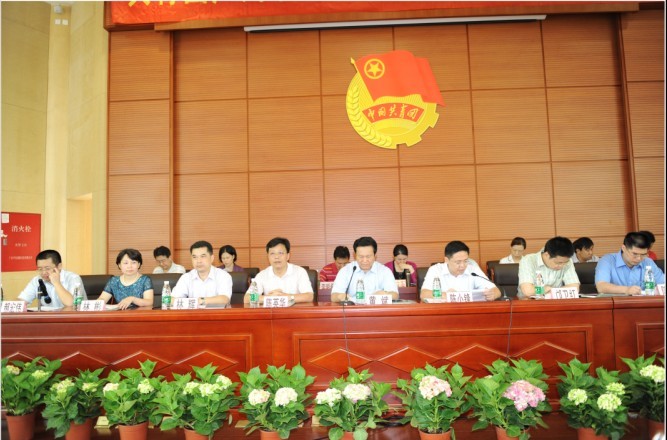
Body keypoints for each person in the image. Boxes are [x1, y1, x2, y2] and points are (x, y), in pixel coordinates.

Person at [421, 241, 500, 301]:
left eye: (466, 261)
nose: (463, 265)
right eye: (458, 262)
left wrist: (492, 294)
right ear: (446, 260)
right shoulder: (435, 270)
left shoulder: (472, 270)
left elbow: (496, 291)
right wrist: (448, 296)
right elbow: (424, 294)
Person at [244, 237, 313, 304]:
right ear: (268, 257)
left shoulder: (300, 272)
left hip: (294, 311)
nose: (276, 257)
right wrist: (267, 298)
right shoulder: (262, 275)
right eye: (272, 253)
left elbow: (309, 296)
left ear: (288, 256)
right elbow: (247, 298)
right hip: (271, 311)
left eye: (280, 253)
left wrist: (287, 297)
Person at [331, 236, 398, 302]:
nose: (364, 260)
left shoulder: (384, 271)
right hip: (353, 308)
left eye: (368, 256)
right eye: (361, 256)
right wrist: (341, 296)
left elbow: (395, 295)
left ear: (375, 256)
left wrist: (385, 294)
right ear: (355, 256)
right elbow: (334, 296)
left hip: (377, 308)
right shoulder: (346, 271)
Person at [595, 232, 665, 295]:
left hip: (643, 303)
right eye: (635, 254)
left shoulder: (648, 262)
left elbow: (662, 282)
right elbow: (601, 286)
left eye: (643, 254)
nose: (639, 258)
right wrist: (626, 290)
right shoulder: (607, 261)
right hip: (616, 303)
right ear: (624, 248)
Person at [18, 249, 87, 308]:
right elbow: (22, 301)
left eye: (47, 268)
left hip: (73, 318)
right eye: (40, 269)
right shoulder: (37, 280)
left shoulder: (73, 278)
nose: (43, 272)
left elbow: (71, 304)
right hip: (48, 318)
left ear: (59, 266)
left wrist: (57, 283)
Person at [172, 240, 233, 306]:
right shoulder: (186, 277)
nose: (198, 261)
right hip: (193, 312)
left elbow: (224, 299)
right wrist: (196, 302)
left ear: (212, 258)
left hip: (216, 312)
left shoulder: (223, 276)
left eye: (203, 256)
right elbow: (172, 299)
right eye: (195, 257)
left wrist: (200, 301)